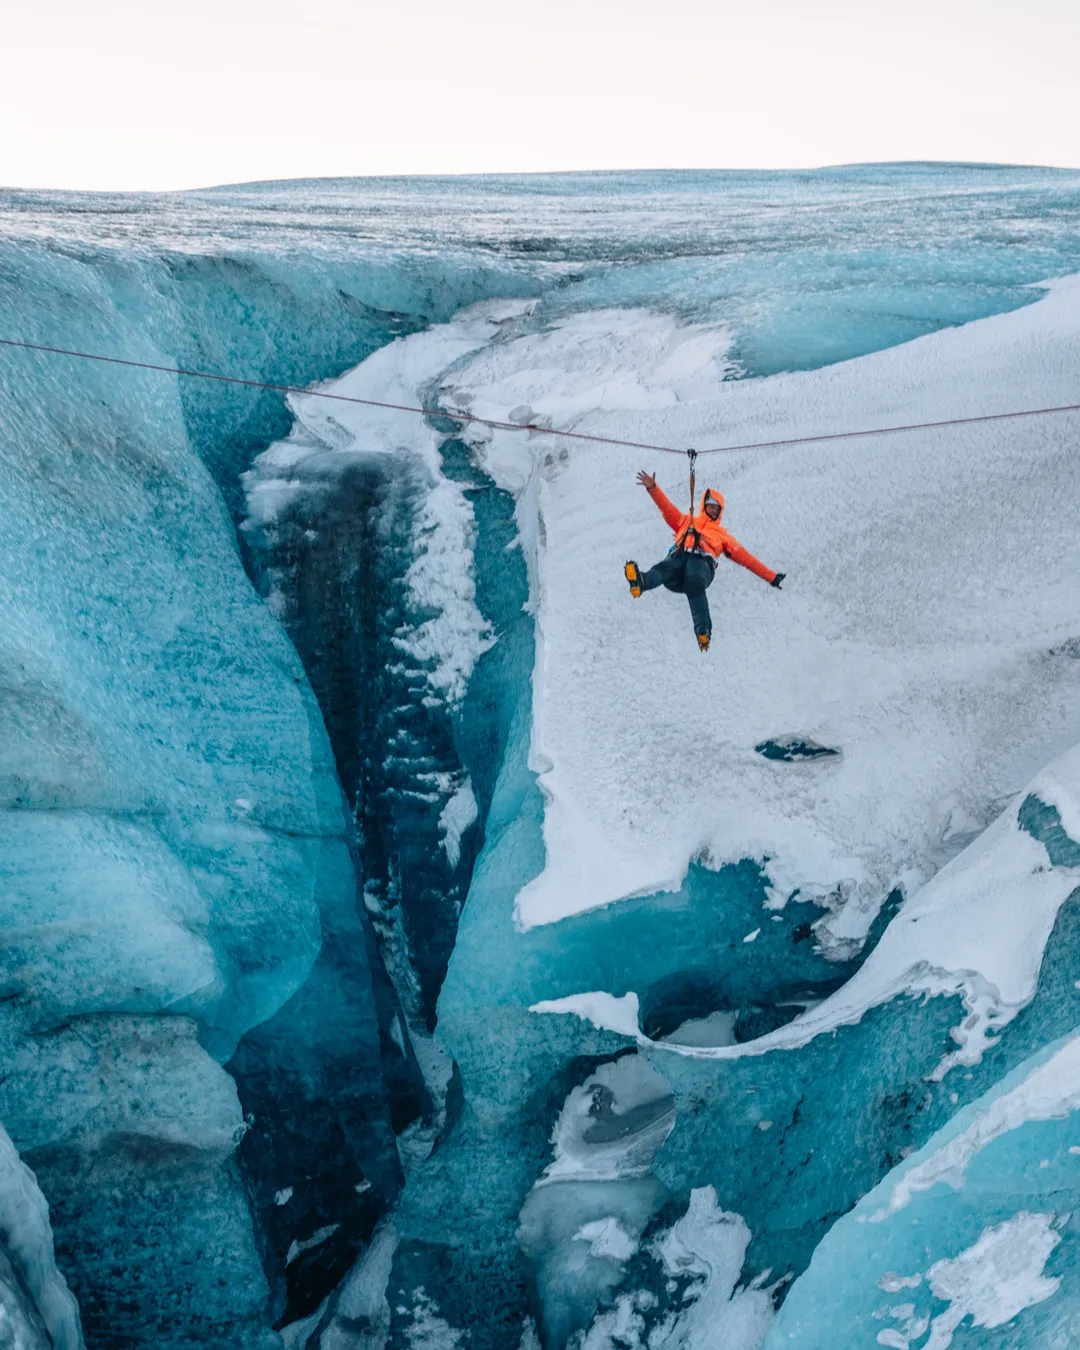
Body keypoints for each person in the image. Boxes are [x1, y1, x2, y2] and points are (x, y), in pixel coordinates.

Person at [625, 470, 784, 651]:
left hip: (701, 565)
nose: (713, 510)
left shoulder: (723, 535)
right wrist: (653, 488)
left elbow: (748, 560)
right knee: (665, 567)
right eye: (711, 506)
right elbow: (667, 509)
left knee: (694, 581)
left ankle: (703, 631)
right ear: (704, 506)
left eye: (717, 508)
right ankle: (640, 582)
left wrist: (771, 577)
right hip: (679, 560)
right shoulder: (686, 520)